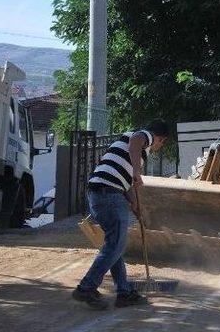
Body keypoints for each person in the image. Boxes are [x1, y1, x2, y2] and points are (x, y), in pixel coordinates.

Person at [72, 119, 169, 310]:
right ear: (159, 138)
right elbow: (137, 139)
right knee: (116, 245)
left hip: (102, 193)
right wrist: (137, 171)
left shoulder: (131, 151)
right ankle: (86, 287)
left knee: (115, 245)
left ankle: (123, 293)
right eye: (162, 143)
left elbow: (126, 184)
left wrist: (135, 205)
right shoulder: (143, 136)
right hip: (108, 194)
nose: (159, 146)